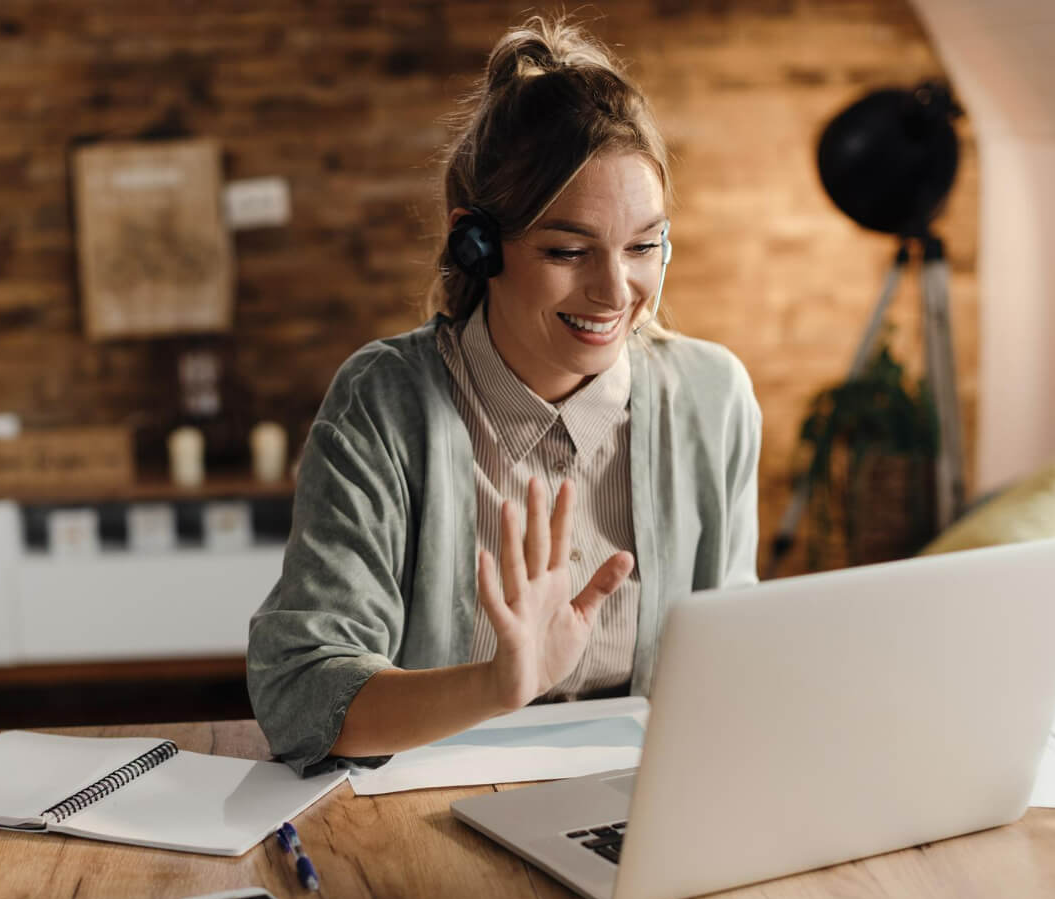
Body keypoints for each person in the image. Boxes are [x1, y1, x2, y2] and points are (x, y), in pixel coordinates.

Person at [248, 16, 761, 776]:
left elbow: (736, 662)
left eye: (643, 246)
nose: (615, 291)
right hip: (429, 819)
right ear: (476, 244)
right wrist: (494, 686)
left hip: (647, 807)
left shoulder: (712, 397)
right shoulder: (384, 405)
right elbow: (298, 698)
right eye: (567, 251)